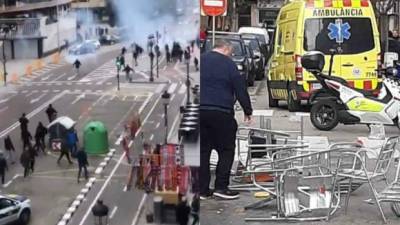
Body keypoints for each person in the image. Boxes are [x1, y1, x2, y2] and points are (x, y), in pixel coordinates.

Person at [200, 39, 253, 200]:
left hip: (199, 111)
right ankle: (221, 187)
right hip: (221, 112)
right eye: (230, 52)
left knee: (202, 151)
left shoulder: (200, 60)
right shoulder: (229, 65)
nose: (231, 55)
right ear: (226, 49)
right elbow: (240, 88)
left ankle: (202, 189)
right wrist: (247, 110)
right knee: (226, 149)